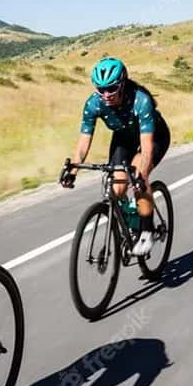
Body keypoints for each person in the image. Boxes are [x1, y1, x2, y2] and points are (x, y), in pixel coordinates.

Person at [60, 57, 170, 256]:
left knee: (139, 174)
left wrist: (139, 175)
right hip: (124, 137)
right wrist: (73, 170)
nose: (106, 94)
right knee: (117, 188)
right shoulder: (93, 104)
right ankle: (129, 221)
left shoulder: (141, 101)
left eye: (111, 88)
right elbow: (84, 142)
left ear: (123, 83)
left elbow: (145, 149)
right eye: (100, 89)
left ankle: (147, 230)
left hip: (154, 137)